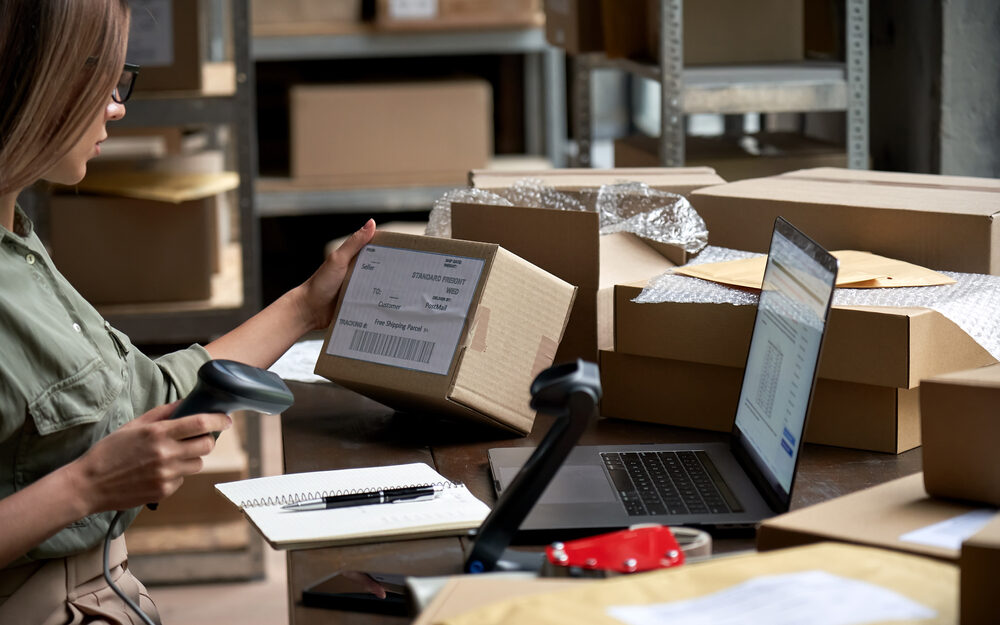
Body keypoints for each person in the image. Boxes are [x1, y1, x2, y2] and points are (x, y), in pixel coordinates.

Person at [0, 1, 376, 622]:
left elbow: (145, 394)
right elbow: (94, 463)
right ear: (28, 79)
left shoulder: (20, 243)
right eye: (99, 80)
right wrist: (87, 486)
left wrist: (310, 304)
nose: (117, 105)